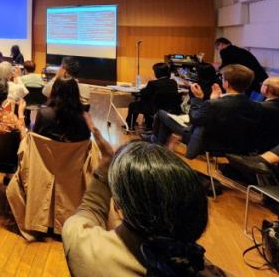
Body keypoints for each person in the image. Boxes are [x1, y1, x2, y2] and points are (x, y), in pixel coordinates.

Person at [63, 114, 227, 277]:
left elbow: (89, 210)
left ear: (118, 204)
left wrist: (105, 166)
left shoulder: (86, 248)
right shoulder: (201, 266)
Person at [151, 64, 262, 159]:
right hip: (236, 147)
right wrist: (214, 100)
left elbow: (195, 119)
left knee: (162, 115)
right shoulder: (256, 106)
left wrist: (198, 99)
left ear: (226, 83)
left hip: (209, 143)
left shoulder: (214, 104)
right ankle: (159, 148)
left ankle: (157, 149)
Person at [126, 62, 180, 132]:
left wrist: (142, 90)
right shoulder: (173, 82)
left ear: (157, 73)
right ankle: (149, 125)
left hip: (154, 109)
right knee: (148, 101)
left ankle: (130, 125)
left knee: (133, 105)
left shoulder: (153, 83)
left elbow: (143, 93)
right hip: (170, 109)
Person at [33, 77, 90, 142]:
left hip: (44, 148)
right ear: (76, 93)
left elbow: (35, 137)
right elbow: (85, 141)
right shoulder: (84, 118)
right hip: (73, 149)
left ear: (54, 91)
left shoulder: (43, 113)